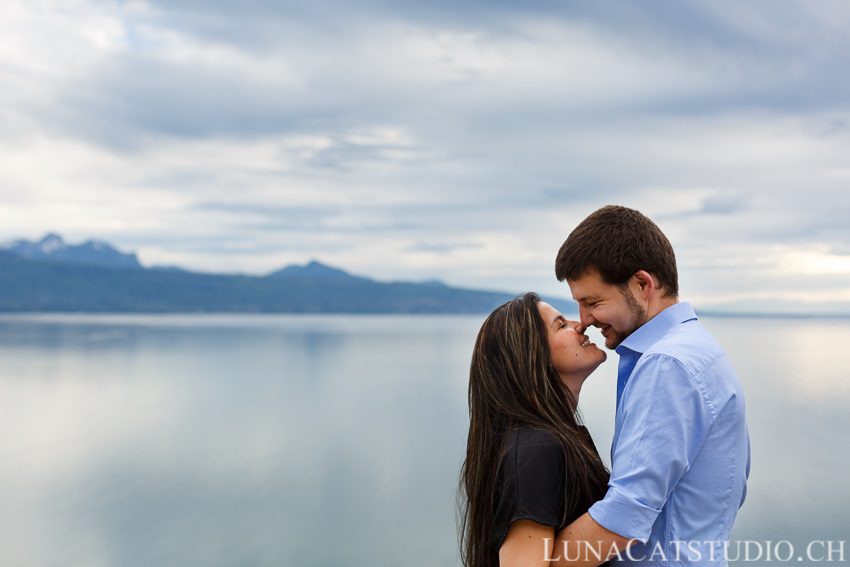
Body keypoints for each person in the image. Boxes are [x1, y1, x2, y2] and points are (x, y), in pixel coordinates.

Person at [551, 205, 751, 566]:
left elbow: (623, 517)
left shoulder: (666, 364)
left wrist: (533, 561)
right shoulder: (701, 350)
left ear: (642, 285)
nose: (584, 321)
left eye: (593, 302)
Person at [459, 292, 612, 567]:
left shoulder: (550, 439)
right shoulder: (536, 448)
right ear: (533, 355)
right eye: (560, 325)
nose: (579, 324)